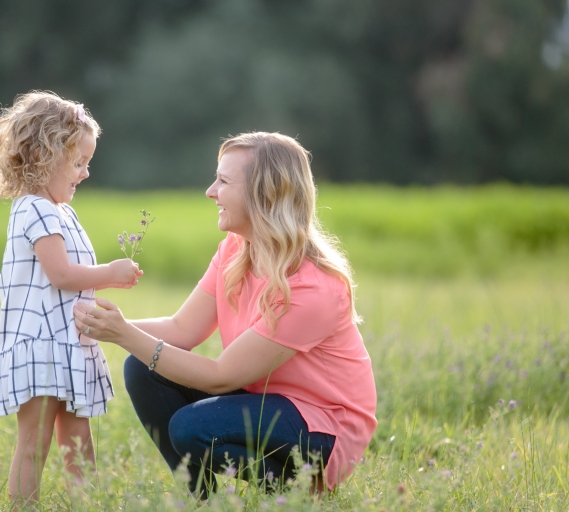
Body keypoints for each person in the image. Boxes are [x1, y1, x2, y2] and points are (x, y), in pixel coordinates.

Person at [73, 132, 377, 497]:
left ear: (264, 194)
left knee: (191, 426)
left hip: (323, 425)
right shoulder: (236, 248)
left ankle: (296, 491)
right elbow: (181, 328)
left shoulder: (314, 288)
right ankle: (203, 500)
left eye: (224, 181)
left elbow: (219, 377)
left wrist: (123, 334)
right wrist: (94, 326)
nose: (210, 191)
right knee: (142, 367)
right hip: (262, 400)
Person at [0, 91, 142, 507]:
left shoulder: (61, 211)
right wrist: (110, 274)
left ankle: (84, 504)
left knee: (79, 444)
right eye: (78, 162)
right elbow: (62, 275)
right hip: (42, 346)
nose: (85, 173)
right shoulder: (34, 209)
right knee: (35, 442)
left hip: (69, 345)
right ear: (43, 156)